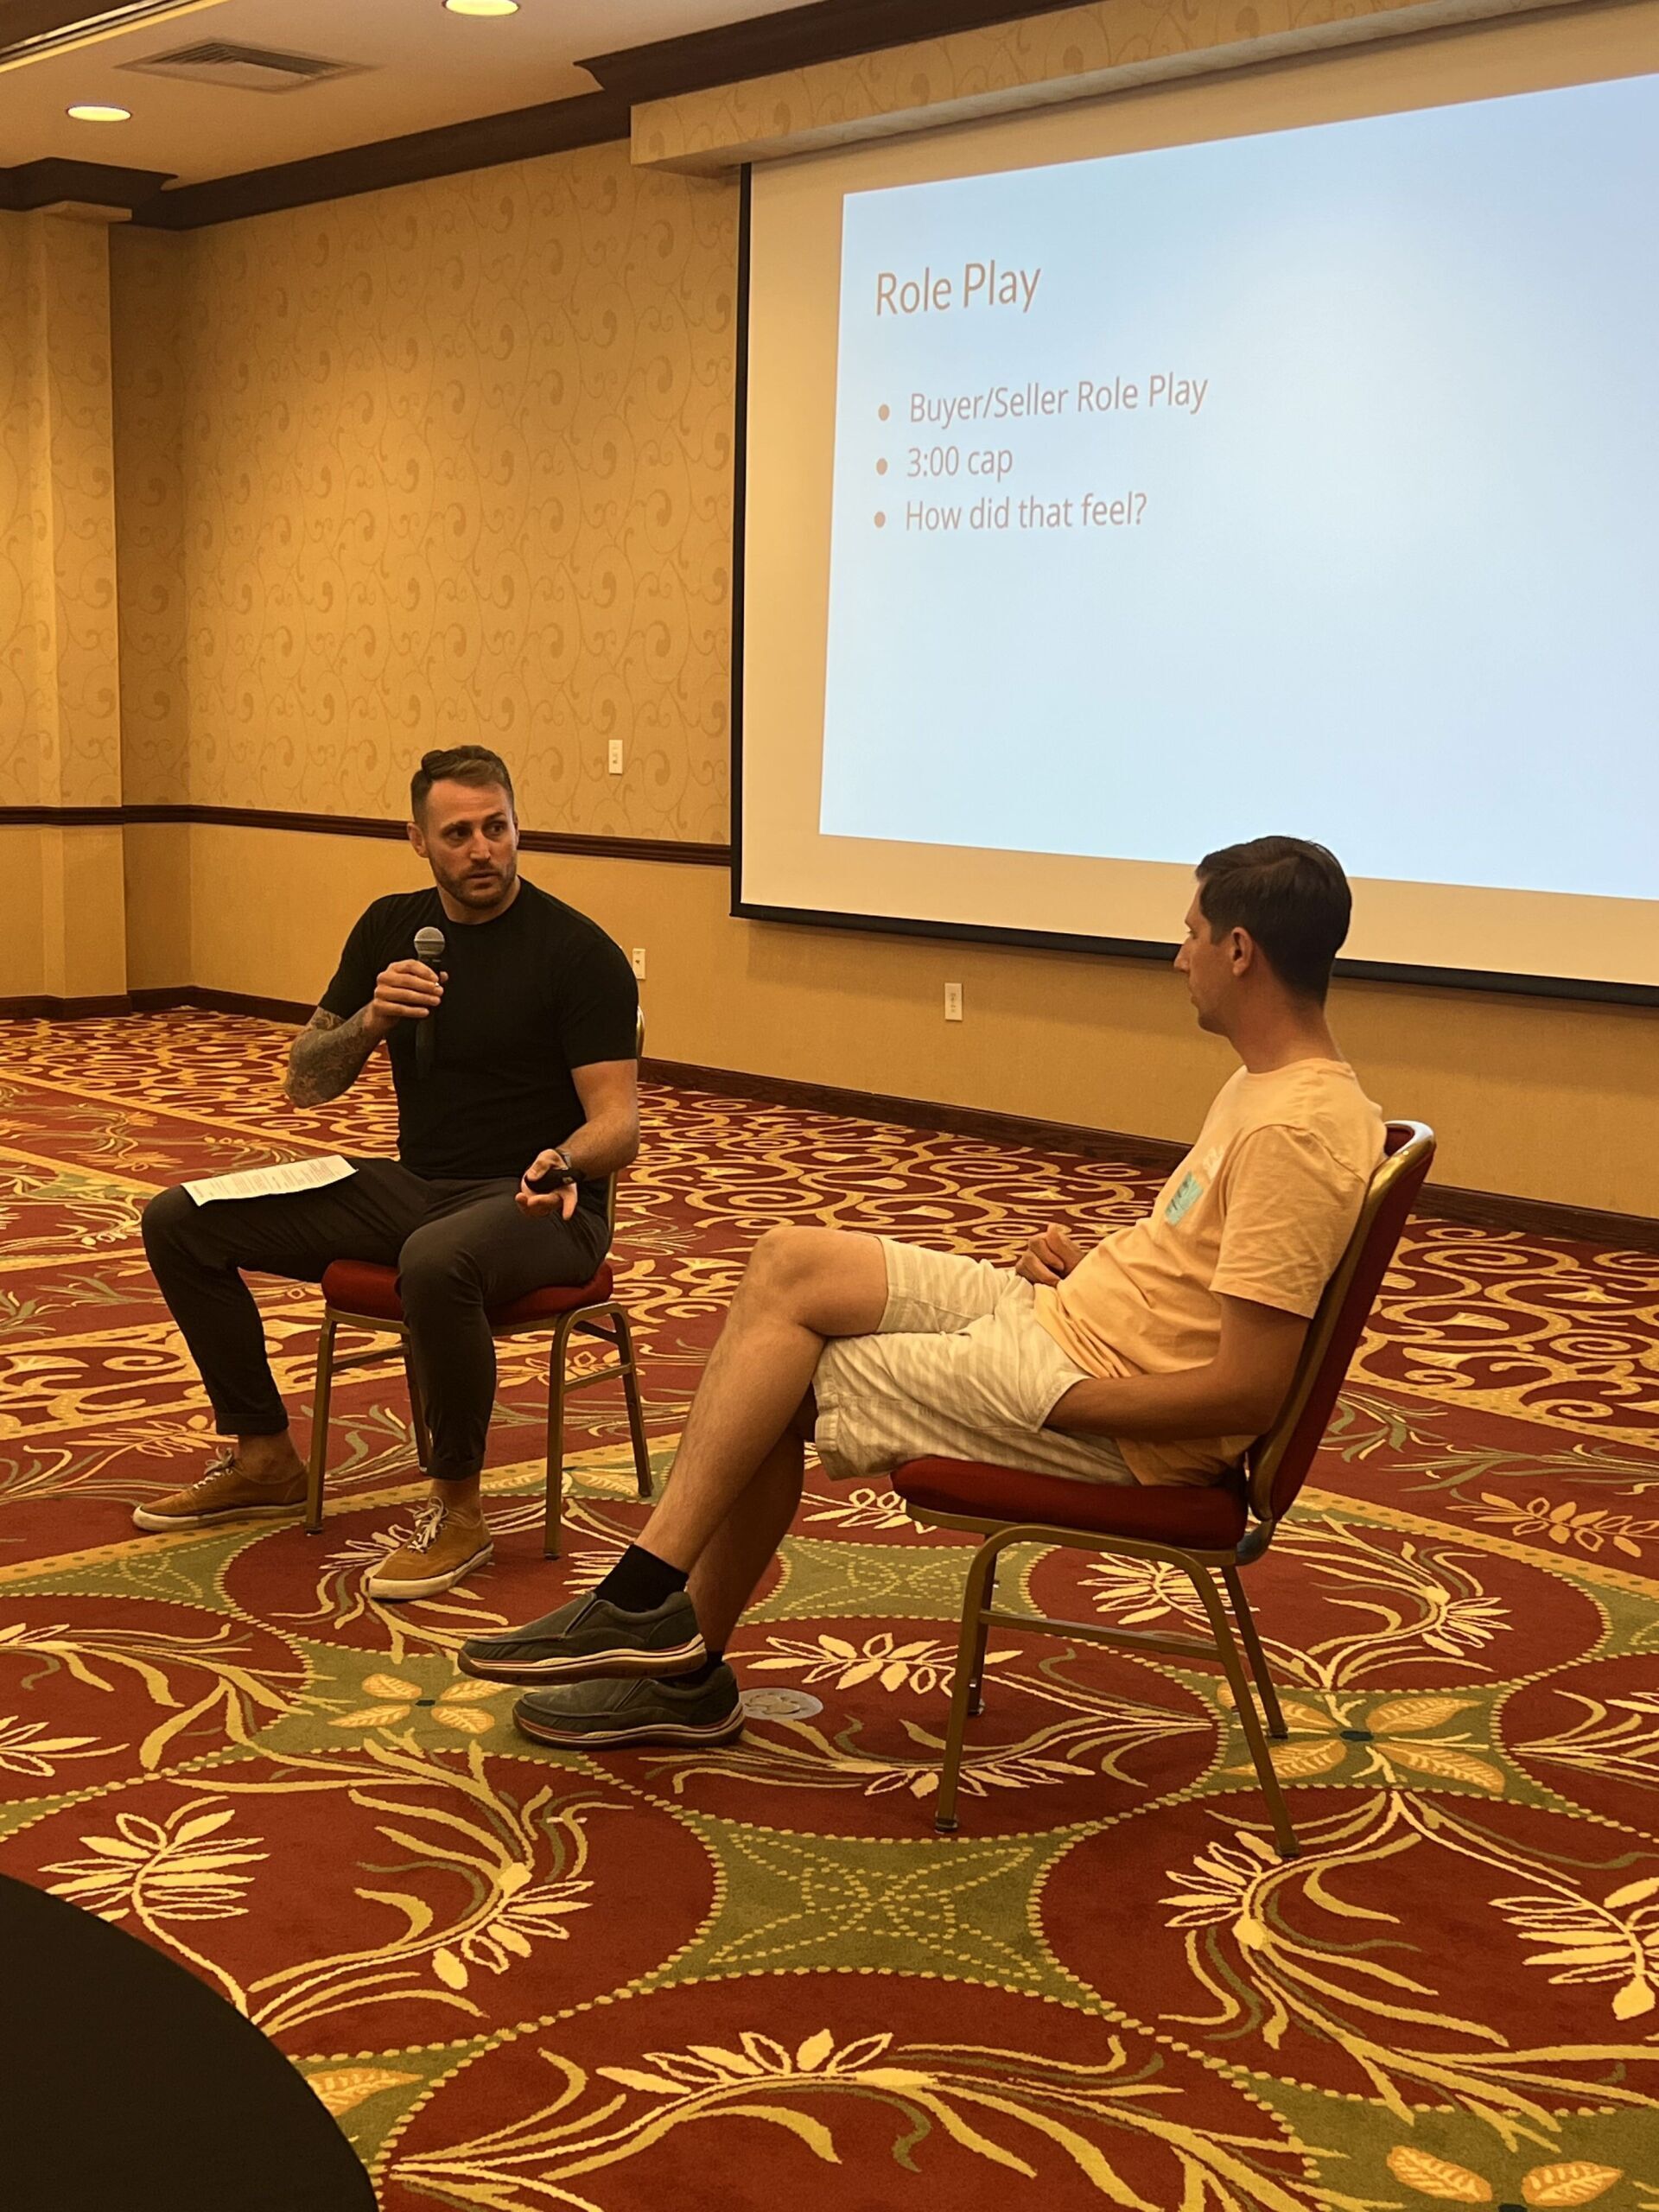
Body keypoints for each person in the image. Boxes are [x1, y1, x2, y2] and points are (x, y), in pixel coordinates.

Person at [458, 835, 1385, 1747]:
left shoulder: (1291, 1137)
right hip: (1066, 1322)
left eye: (1191, 933)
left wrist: (1067, 1403)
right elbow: (1202, 1268)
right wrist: (1097, 1266)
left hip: (1095, 1402)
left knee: (778, 1385)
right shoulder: (1273, 1089)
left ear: (1240, 951)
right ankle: (656, 1609)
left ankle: (670, 1644)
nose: (1177, 954)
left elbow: (1249, 1391)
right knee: (789, 1260)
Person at [135, 746, 640, 1599]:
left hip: (543, 1202)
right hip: (420, 1188)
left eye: (497, 828)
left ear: (518, 826)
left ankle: (459, 1510)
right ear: (417, 839)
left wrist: (561, 1159)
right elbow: (305, 1081)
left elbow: (618, 1123)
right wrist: (370, 1016)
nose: (482, 849)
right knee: (180, 1217)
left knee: (436, 1261)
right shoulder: (391, 928)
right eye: (458, 834)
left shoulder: (575, 951)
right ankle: (262, 1455)